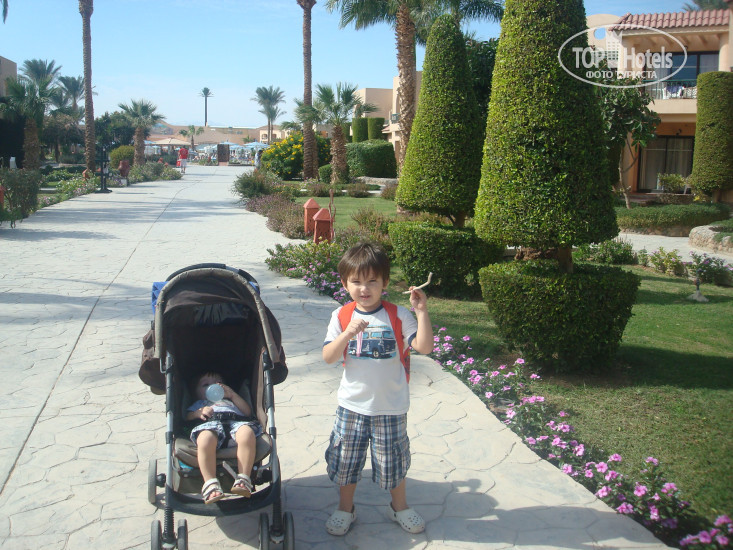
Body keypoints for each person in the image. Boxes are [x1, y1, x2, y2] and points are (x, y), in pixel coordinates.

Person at [322, 242, 434, 536]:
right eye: (356, 281)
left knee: (393, 461)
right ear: (345, 283)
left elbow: (424, 347)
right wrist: (347, 334)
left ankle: (399, 507)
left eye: (372, 281)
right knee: (346, 461)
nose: (364, 288)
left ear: (385, 282)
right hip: (352, 406)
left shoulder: (398, 315)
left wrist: (421, 312)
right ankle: (345, 508)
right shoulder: (341, 316)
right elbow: (329, 357)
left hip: (391, 407)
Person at [186, 371, 261, 503]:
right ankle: (210, 483)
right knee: (205, 439)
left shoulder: (230, 400)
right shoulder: (200, 404)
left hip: (235, 424)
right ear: (195, 393)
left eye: (218, 383)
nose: (213, 387)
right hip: (211, 427)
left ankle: (244, 478)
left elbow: (247, 412)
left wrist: (232, 395)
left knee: (247, 433)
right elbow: (187, 417)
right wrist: (198, 413)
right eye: (205, 385)